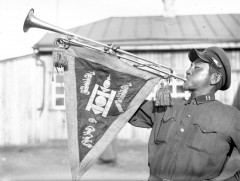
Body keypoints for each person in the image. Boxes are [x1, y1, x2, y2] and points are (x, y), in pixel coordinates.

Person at [129, 46, 240, 181]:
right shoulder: (166, 105)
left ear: (215, 78)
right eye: (190, 67)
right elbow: (124, 104)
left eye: (196, 68)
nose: (188, 71)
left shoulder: (231, 117)